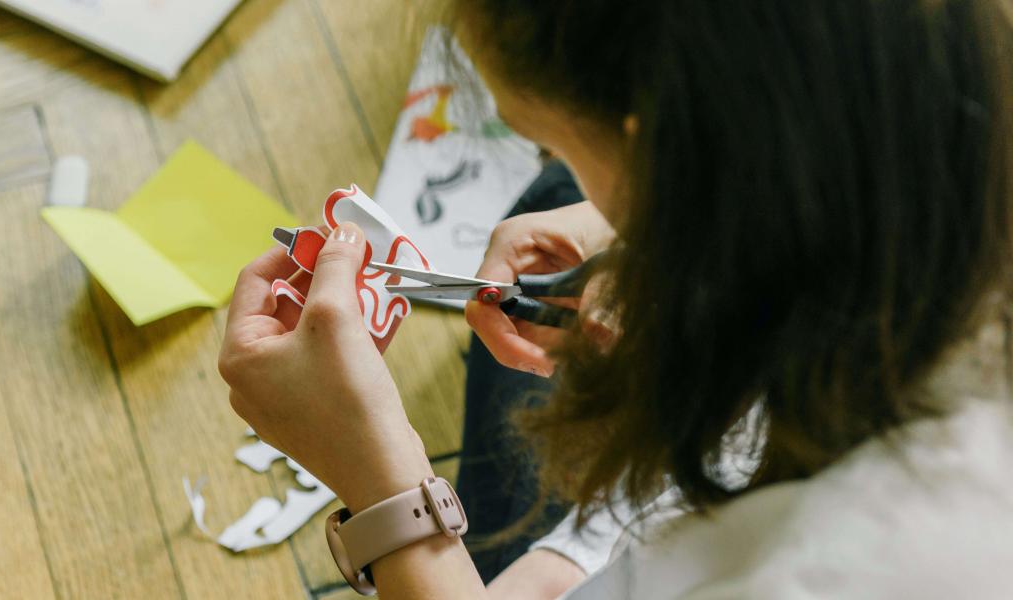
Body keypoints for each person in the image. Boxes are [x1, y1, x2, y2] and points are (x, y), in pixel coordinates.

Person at [217, 0, 1013, 598]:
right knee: (561, 199)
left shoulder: (825, 568)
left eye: (547, 130)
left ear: (669, 151)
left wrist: (386, 495)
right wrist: (680, 251)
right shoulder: (946, 104)